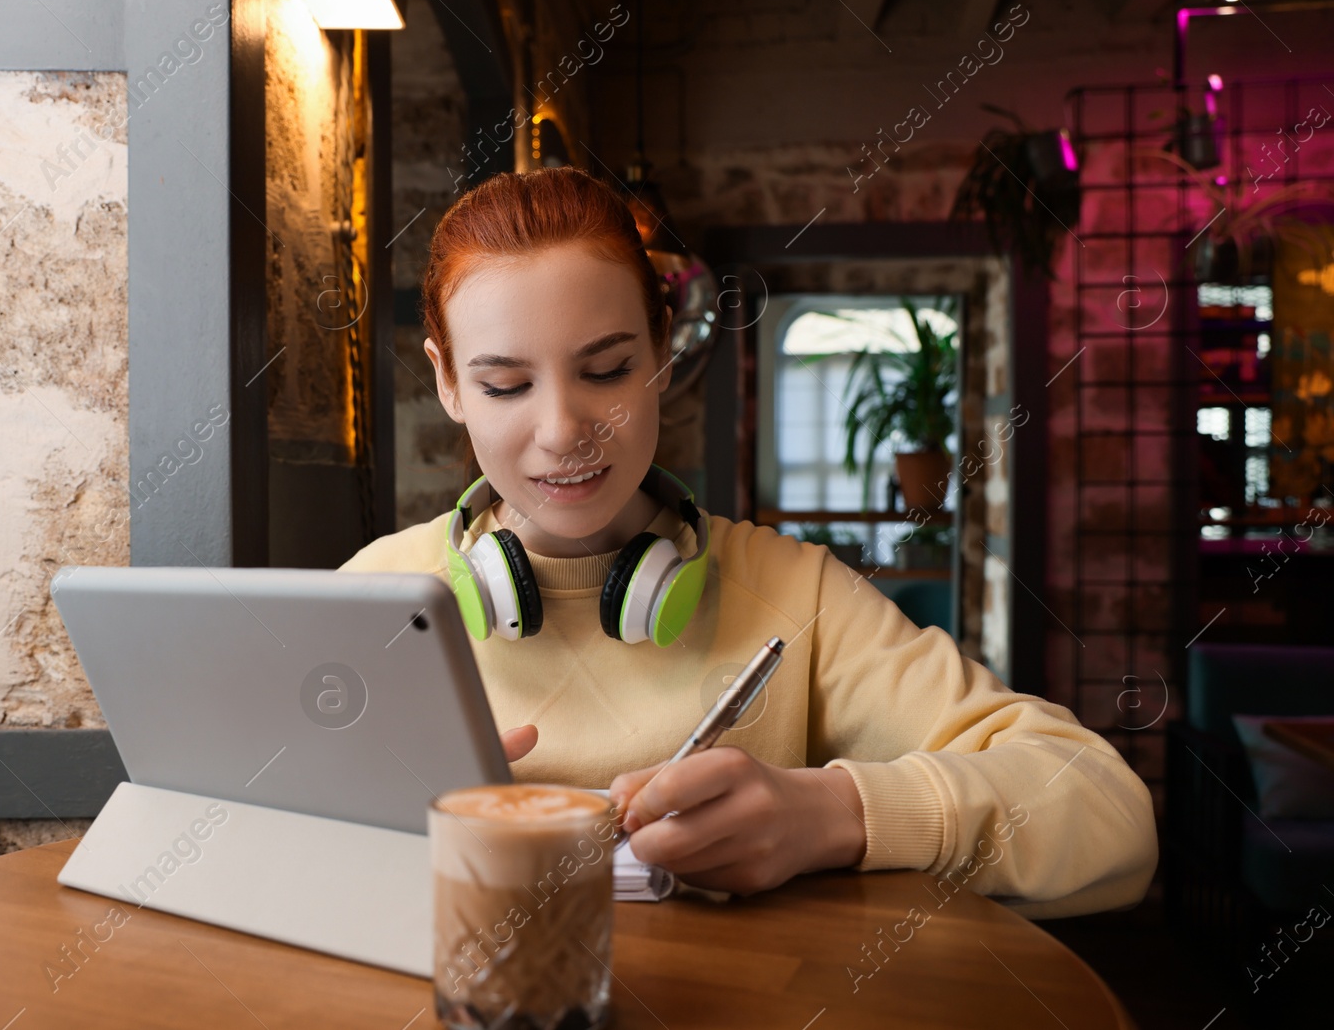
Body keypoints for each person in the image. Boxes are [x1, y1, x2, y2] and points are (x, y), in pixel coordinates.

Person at [338, 166, 1157, 917]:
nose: (562, 431)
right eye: (505, 384)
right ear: (447, 381)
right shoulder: (370, 595)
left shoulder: (796, 594)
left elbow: (1111, 813)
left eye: (607, 370)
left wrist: (837, 814)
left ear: (663, 346)